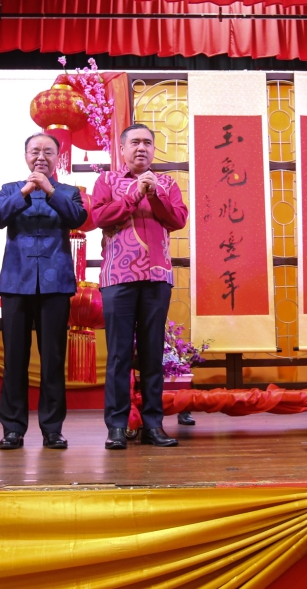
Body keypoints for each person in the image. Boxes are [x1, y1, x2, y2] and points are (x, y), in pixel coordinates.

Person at [92, 124, 188, 450]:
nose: (141, 148)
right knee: (119, 355)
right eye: (135, 143)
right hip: (118, 278)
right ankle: (117, 427)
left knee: (152, 356)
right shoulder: (106, 181)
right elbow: (100, 217)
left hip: (157, 277)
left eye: (147, 143)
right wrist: (134, 195)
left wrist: (154, 193)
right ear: (122, 149)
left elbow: (177, 220)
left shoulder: (167, 183)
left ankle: (153, 425)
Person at [0, 133, 87, 450]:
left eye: (48, 152)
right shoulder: (9, 189)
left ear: (58, 157)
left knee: (53, 359)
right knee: (14, 359)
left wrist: (49, 189)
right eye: (35, 151)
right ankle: (13, 428)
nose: (41, 157)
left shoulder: (69, 192)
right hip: (16, 283)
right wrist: (26, 191)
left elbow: (77, 218)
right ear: (25, 155)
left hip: (55, 284)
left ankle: (52, 428)